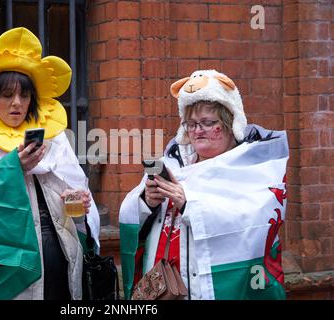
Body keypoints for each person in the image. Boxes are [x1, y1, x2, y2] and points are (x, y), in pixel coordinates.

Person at [0, 27, 100, 300]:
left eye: (24, 96)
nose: (17, 104)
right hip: (5, 276)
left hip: (62, 264)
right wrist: (14, 168)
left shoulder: (55, 140)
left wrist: (80, 207)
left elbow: (74, 212)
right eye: (6, 96)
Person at [119, 69, 289, 300]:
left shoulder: (250, 166)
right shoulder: (173, 160)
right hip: (165, 285)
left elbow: (253, 221)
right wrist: (147, 202)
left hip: (211, 287)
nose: (197, 130)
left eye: (208, 123)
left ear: (230, 123)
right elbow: (131, 216)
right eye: (191, 123)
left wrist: (189, 204)